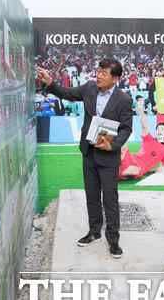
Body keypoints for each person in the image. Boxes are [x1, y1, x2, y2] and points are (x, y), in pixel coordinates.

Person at [37, 59, 133, 258]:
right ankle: (94, 231)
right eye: (98, 71)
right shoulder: (89, 88)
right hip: (88, 152)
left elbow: (126, 129)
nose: (98, 75)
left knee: (110, 199)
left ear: (115, 78)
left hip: (108, 156)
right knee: (91, 196)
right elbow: (67, 94)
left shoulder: (123, 99)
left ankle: (113, 239)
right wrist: (49, 83)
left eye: (104, 73)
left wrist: (113, 145)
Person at [119, 98, 164, 180]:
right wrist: (141, 112)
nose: (159, 131)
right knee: (123, 145)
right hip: (132, 159)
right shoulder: (149, 139)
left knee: (133, 170)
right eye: (158, 129)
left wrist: (159, 169)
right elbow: (144, 126)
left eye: (162, 129)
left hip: (139, 167)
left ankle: (116, 172)